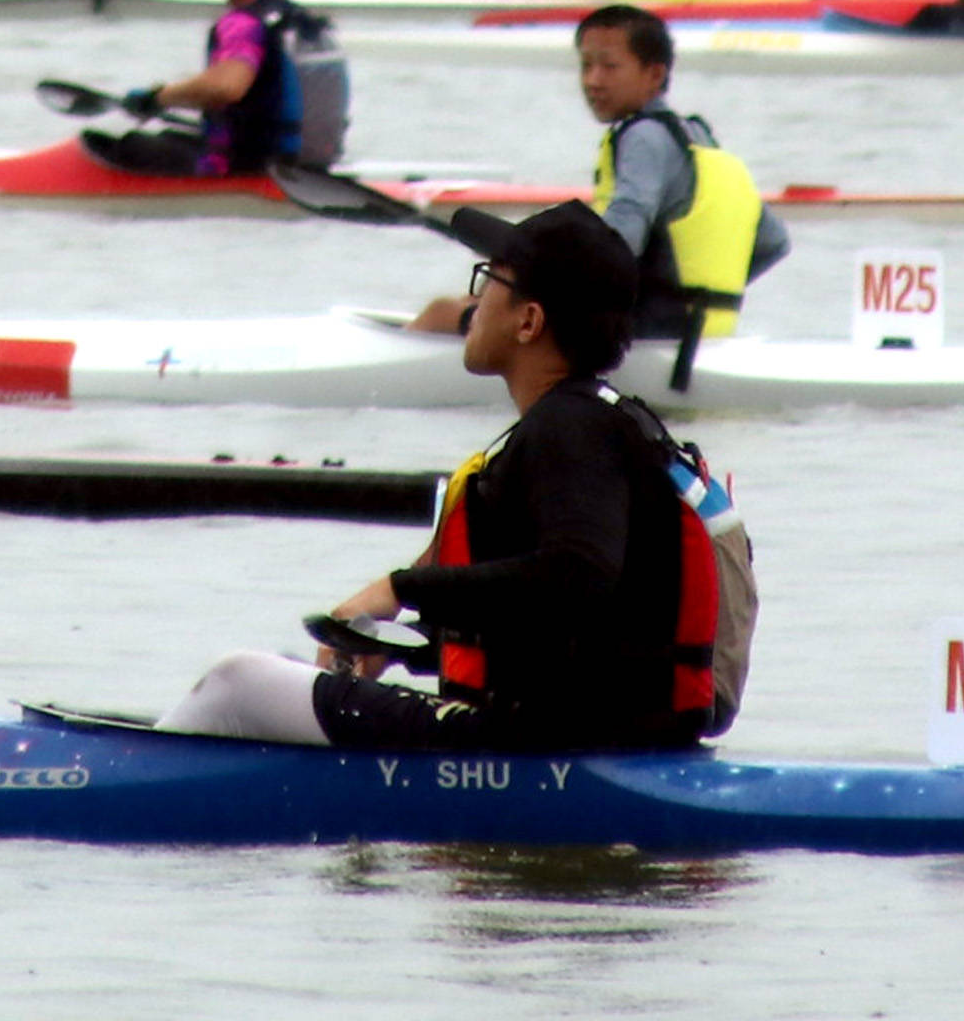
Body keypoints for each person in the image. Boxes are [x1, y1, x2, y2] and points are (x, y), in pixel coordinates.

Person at [155, 203, 730, 754]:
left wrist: (399, 591)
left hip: (546, 741)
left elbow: (578, 574)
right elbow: (577, 627)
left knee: (238, 682)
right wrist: (414, 646)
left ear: (528, 321)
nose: (472, 303)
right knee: (288, 681)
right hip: (600, 731)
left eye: (488, 282)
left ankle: (117, 769)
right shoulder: (607, 422)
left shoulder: (569, 428)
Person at [570, 6, 789, 366]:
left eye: (609, 66)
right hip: (703, 336)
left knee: (447, 312)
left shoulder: (641, 138)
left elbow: (620, 240)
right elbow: (772, 242)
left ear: (655, 74)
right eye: (585, 65)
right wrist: (701, 295)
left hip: (646, 336)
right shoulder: (697, 137)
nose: (593, 80)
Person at [109, 0, 343, 176]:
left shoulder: (245, 23)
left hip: (244, 171)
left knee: (125, 146)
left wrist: (160, 97)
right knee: (172, 136)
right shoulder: (308, 25)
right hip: (308, 170)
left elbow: (226, 87)